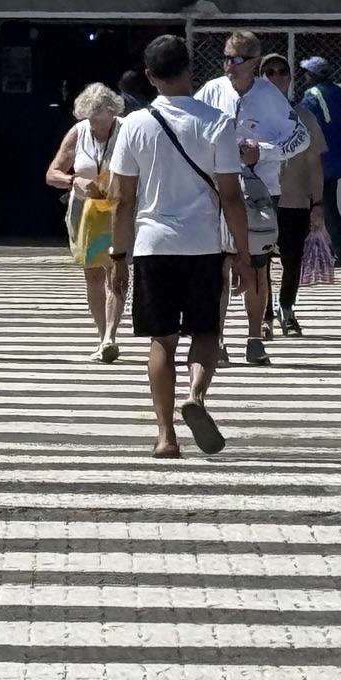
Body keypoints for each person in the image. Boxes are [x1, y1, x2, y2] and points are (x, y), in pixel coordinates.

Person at [108, 33, 254, 458]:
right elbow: (231, 195)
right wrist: (244, 254)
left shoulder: (133, 125)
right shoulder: (215, 122)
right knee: (205, 331)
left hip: (153, 245)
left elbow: (123, 199)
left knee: (162, 341)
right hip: (203, 244)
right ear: (190, 70)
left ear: (150, 76)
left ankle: (165, 436)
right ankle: (196, 395)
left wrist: (118, 255)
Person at [196, 29, 309, 365]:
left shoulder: (270, 97)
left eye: (236, 60)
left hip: (260, 192)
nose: (228, 66)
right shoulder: (212, 90)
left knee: (258, 266)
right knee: (220, 265)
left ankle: (255, 338)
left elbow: (299, 138)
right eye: (225, 58)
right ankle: (217, 339)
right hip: (218, 188)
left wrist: (264, 152)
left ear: (253, 62)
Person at [46, 82, 127, 360]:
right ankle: (102, 337)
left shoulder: (127, 130)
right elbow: (52, 174)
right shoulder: (78, 132)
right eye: (90, 120)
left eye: (99, 122)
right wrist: (73, 181)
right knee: (92, 273)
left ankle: (110, 336)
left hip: (118, 211)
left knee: (115, 270)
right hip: (85, 213)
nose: (94, 127)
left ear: (113, 115)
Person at [260, 52, 328, 337]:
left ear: (290, 78)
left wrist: (318, 203)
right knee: (260, 261)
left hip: (294, 199)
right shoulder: (250, 115)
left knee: (292, 259)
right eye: (269, 72)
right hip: (260, 200)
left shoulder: (304, 117)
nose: (276, 77)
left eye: (282, 71)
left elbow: (315, 164)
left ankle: (286, 308)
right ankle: (264, 314)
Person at [299, 54, 341, 265]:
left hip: (318, 159)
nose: (305, 76)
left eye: (307, 72)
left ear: (313, 75)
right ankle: (340, 251)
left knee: (320, 205)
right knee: (327, 204)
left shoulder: (312, 95)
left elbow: (304, 122)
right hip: (339, 157)